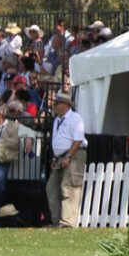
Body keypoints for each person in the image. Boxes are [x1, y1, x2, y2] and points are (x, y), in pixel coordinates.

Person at [46, 91, 87, 227]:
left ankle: (67, 222)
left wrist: (68, 156)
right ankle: (56, 220)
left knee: (68, 187)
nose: (54, 105)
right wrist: (55, 158)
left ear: (65, 104)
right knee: (51, 187)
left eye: (57, 103)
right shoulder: (57, 120)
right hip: (60, 157)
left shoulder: (75, 118)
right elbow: (57, 140)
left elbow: (78, 139)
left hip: (74, 155)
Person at [0, 103, 21, 227]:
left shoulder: (14, 127)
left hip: (1, 164)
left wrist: (29, 140)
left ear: (1, 115)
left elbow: (29, 133)